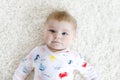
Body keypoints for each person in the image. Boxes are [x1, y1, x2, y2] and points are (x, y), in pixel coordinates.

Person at [13, 10, 98, 80]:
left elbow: (89, 71)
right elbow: (23, 69)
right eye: (52, 31)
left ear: (73, 37)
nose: (57, 36)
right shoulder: (38, 52)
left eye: (64, 33)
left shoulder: (74, 56)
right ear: (44, 32)